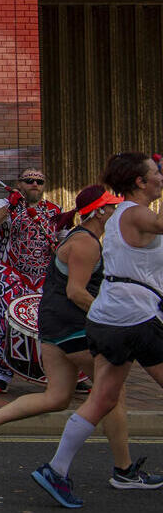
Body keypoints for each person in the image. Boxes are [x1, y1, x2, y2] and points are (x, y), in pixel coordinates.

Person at [0, 184, 159, 497]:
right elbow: (76, 292)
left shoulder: (82, 239)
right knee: (111, 393)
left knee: (58, 397)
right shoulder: (86, 243)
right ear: (98, 212)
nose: (115, 211)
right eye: (110, 207)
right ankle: (124, 470)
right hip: (72, 326)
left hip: (53, 324)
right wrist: (110, 315)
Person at [31, 153, 163, 507]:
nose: (160, 176)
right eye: (156, 172)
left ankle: (56, 470)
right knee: (105, 396)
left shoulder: (120, 214)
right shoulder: (137, 213)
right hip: (134, 318)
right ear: (140, 182)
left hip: (110, 317)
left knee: (103, 398)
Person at [0, 166, 61, 393]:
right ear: (19, 184)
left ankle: (53, 372)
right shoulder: (6, 204)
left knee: (49, 324)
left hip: (43, 277)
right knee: (5, 322)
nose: (35, 184)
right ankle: (1, 373)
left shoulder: (55, 211)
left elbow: (63, 243)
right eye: (29, 181)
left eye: (39, 181)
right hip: (11, 273)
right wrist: (10, 206)